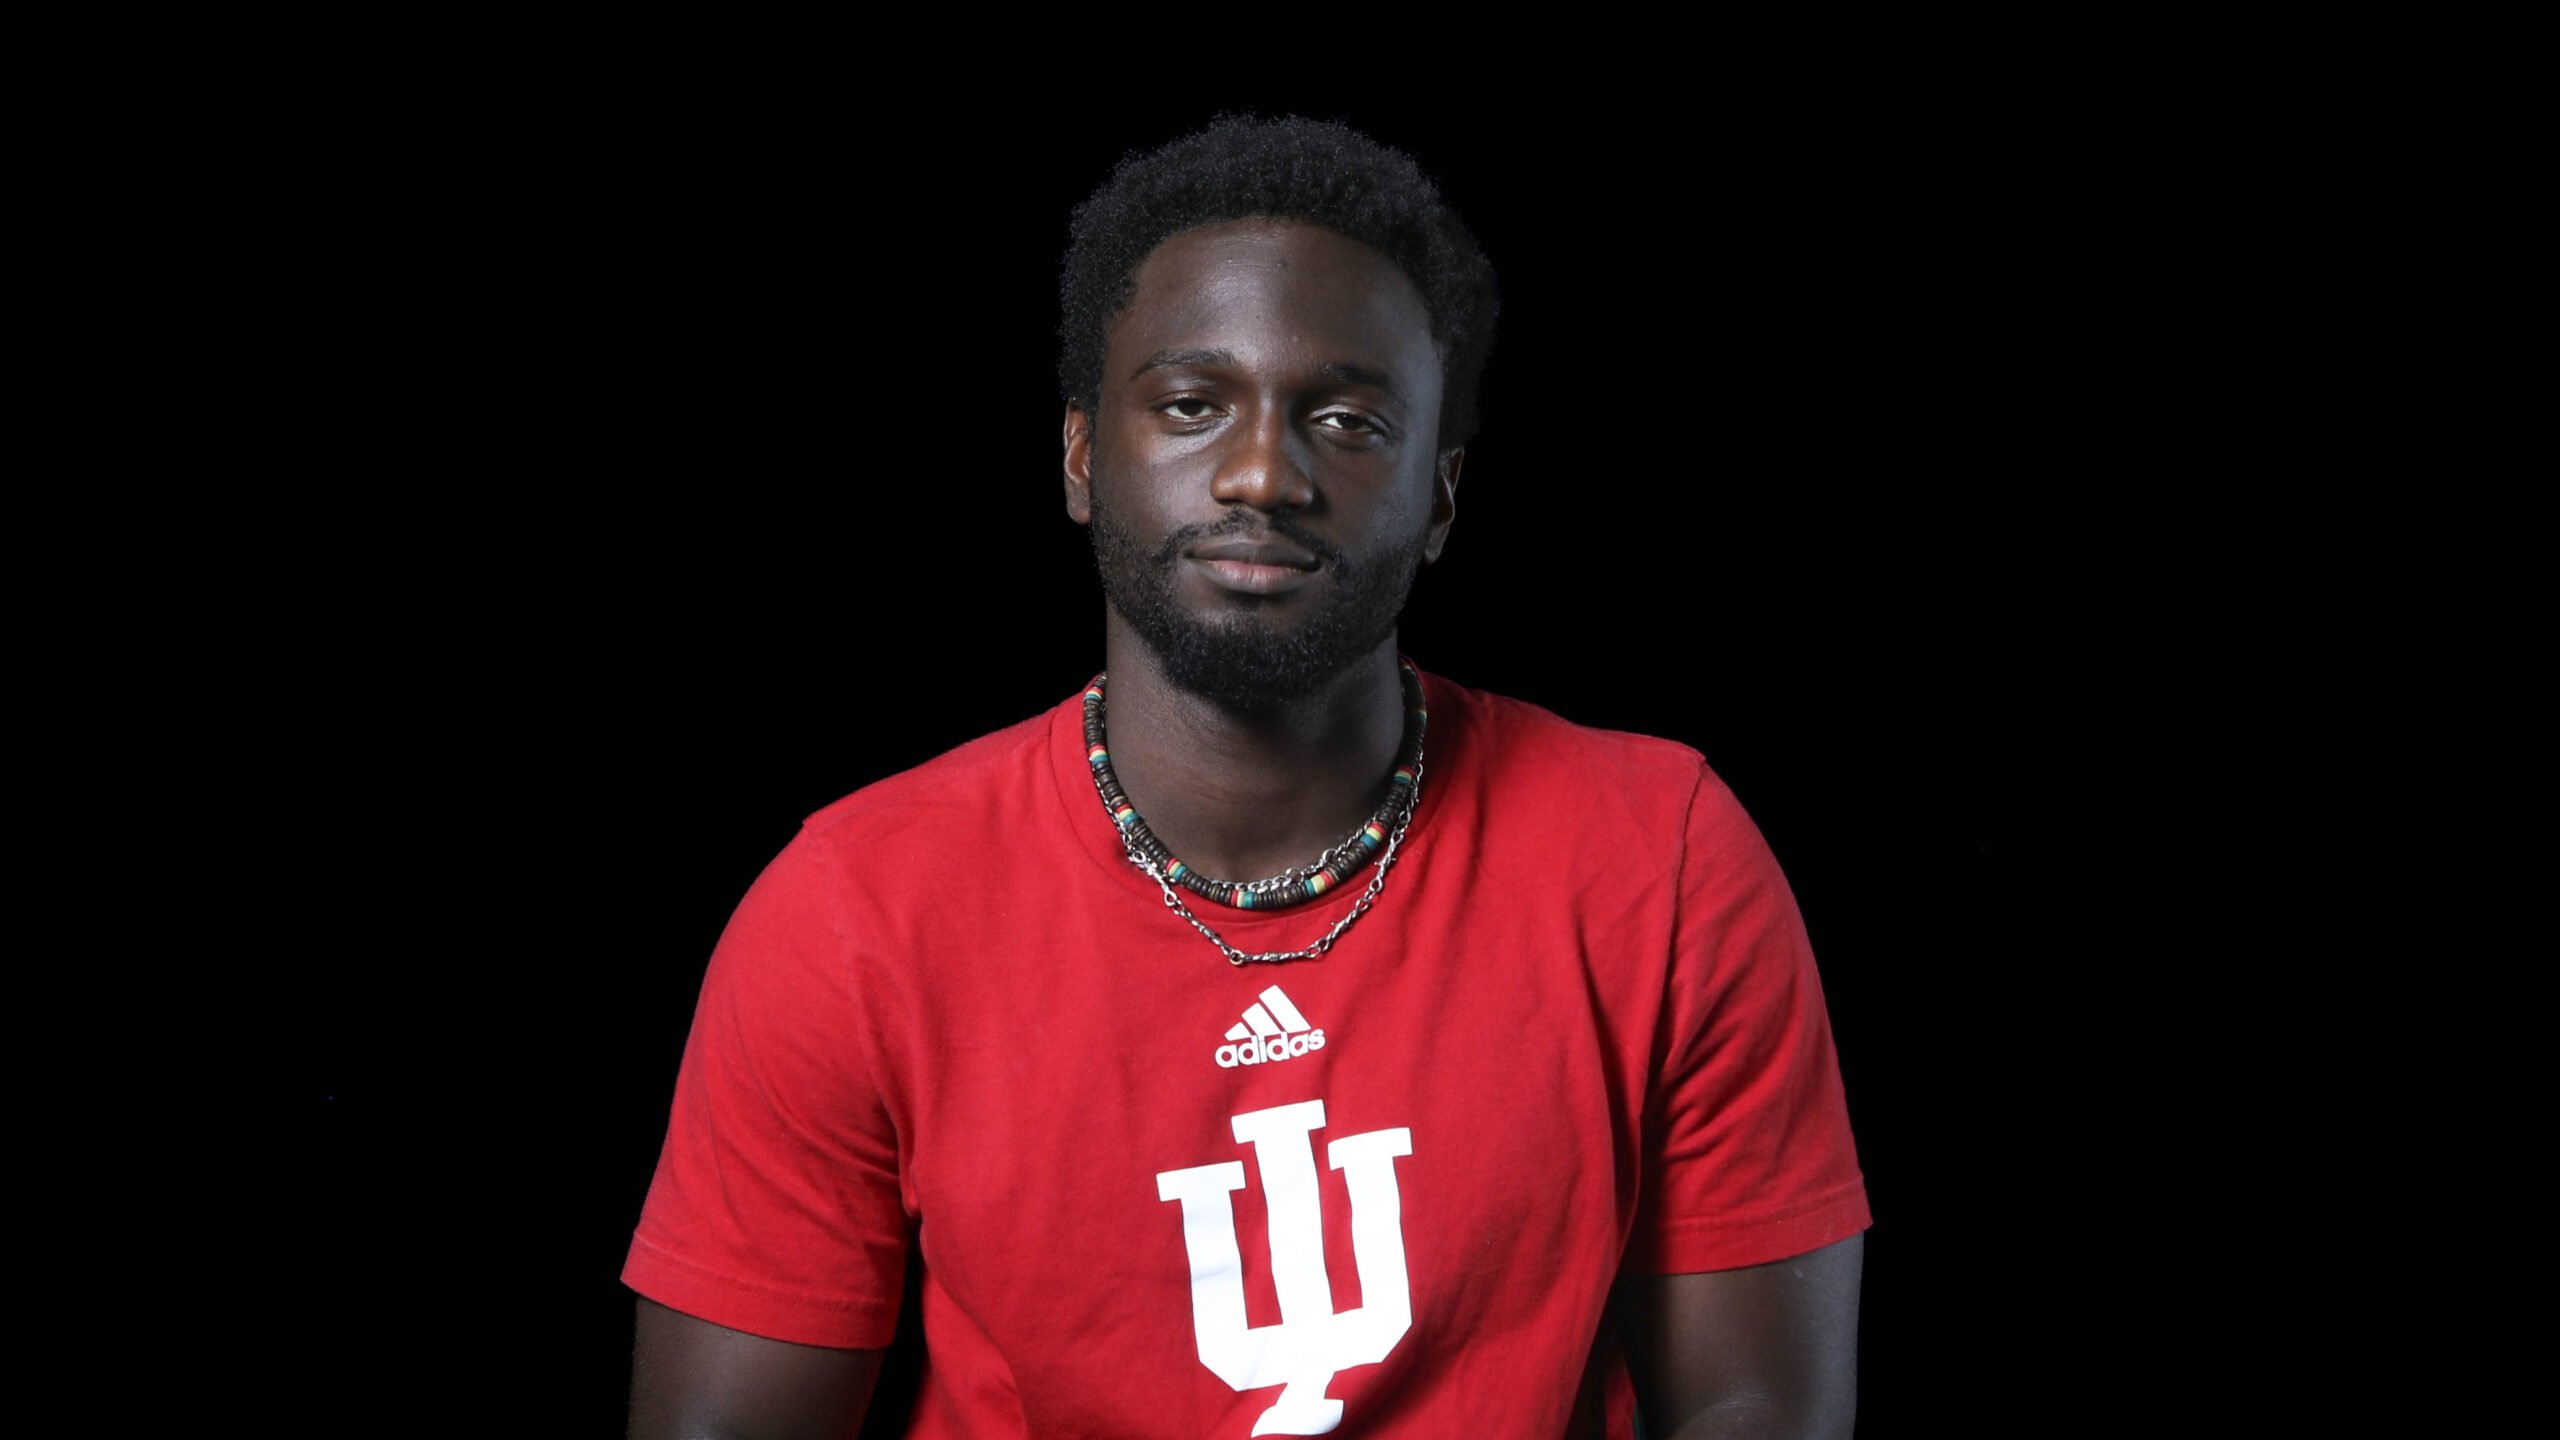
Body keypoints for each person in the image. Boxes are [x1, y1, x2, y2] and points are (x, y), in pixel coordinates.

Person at [625, 116, 1868, 1439]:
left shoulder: (1661, 858)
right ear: (1081, 456)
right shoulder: (852, 912)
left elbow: (1758, 1408)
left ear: (1441, 497)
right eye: (1191, 405)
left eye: (1345, 419)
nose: (1265, 474)